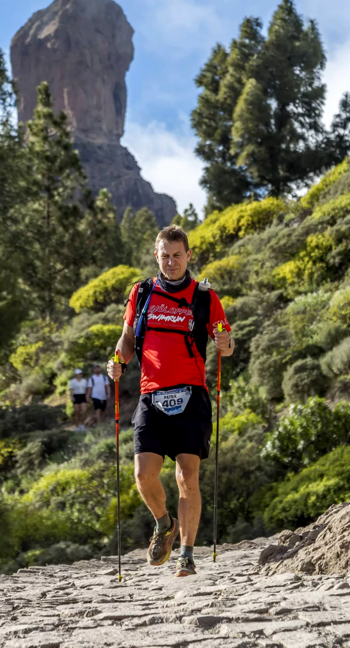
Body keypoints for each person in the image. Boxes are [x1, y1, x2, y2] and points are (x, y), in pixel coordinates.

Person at [107, 225, 233, 577]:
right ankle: (164, 524)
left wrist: (225, 344)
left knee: (186, 476)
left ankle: (187, 555)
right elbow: (128, 338)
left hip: (191, 394)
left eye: (178, 255)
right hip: (151, 394)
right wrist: (118, 362)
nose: (172, 261)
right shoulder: (142, 292)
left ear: (188, 255)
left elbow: (225, 338)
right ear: (156, 256)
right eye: (165, 255)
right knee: (143, 474)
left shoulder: (205, 296)